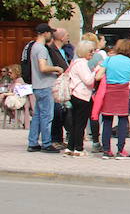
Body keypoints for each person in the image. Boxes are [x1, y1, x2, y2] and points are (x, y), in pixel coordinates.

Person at [23, 24, 63, 153]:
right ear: (45, 33)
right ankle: (46, 143)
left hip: (37, 85)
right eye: (50, 32)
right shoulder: (41, 49)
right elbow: (43, 67)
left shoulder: (33, 47)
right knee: (47, 116)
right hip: (45, 85)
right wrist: (56, 68)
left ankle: (33, 142)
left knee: (37, 116)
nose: (51, 35)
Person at [95, 38, 130, 158]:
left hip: (109, 91)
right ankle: (121, 149)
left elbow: (98, 76)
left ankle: (106, 150)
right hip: (123, 92)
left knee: (107, 120)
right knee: (123, 120)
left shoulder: (109, 59)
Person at [65, 40, 99, 156]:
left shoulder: (75, 62)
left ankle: (70, 147)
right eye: (90, 51)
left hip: (75, 95)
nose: (93, 53)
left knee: (75, 123)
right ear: (84, 51)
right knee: (80, 124)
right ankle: (78, 148)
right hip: (82, 96)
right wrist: (96, 71)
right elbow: (88, 81)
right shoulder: (82, 63)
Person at [47, 28, 73, 149]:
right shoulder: (52, 50)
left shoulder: (62, 50)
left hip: (63, 83)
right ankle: (55, 139)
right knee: (57, 112)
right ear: (62, 37)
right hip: (56, 84)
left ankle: (59, 138)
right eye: (67, 35)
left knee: (62, 112)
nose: (68, 37)